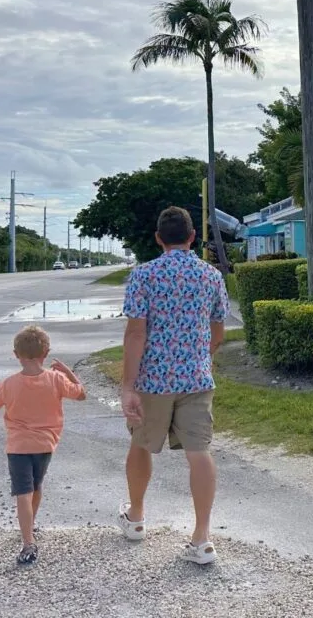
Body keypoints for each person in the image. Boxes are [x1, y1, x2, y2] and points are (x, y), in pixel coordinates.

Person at [118, 205, 230, 565]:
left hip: (153, 380)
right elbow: (218, 329)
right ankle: (202, 538)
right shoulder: (211, 276)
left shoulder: (144, 275)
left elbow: (136, 333)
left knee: (141, 445)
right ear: (193, 237)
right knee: (200, 452)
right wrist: (203, 354)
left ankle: (135, 517)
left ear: (158, 239)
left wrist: (127, 384)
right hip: (196, 379)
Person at [0, 325, 86, 564]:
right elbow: (81, 394)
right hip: (46, 445)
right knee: (35, 488)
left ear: (16, 354)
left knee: (23, 493)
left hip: (18, 447)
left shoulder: (7, 384)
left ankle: (28, 542)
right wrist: (69, 372)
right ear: (45, 353)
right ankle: (29, 527)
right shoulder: (57, 379)